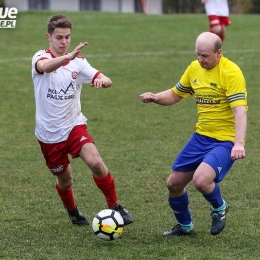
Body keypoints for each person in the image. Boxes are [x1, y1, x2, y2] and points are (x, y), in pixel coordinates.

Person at [139, 32, 247, 236]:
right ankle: (185, 226)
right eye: (198, 54)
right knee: (174, 184)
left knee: (201, 180)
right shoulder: (194, 68)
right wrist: (155, 97)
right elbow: (174, 94)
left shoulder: (231, 72)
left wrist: (239, 143)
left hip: (225, 140)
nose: (200, 59)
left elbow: (239, 111)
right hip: (201, 137)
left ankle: (219, 207)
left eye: (205, 56)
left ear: (219, 53)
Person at [31, 14, 133, 226]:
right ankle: (73, 211)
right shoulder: (40, 57)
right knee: (65, 181)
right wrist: (67, 58)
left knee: (95, 162)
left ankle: (114, 205)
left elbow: (105, 79)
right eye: (59, 37)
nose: (64, 42)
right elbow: (45, 67)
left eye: (67, 37)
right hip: (49, 134)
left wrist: (103, 82)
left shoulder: (79, 63)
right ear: (48, 37)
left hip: (74, 125)